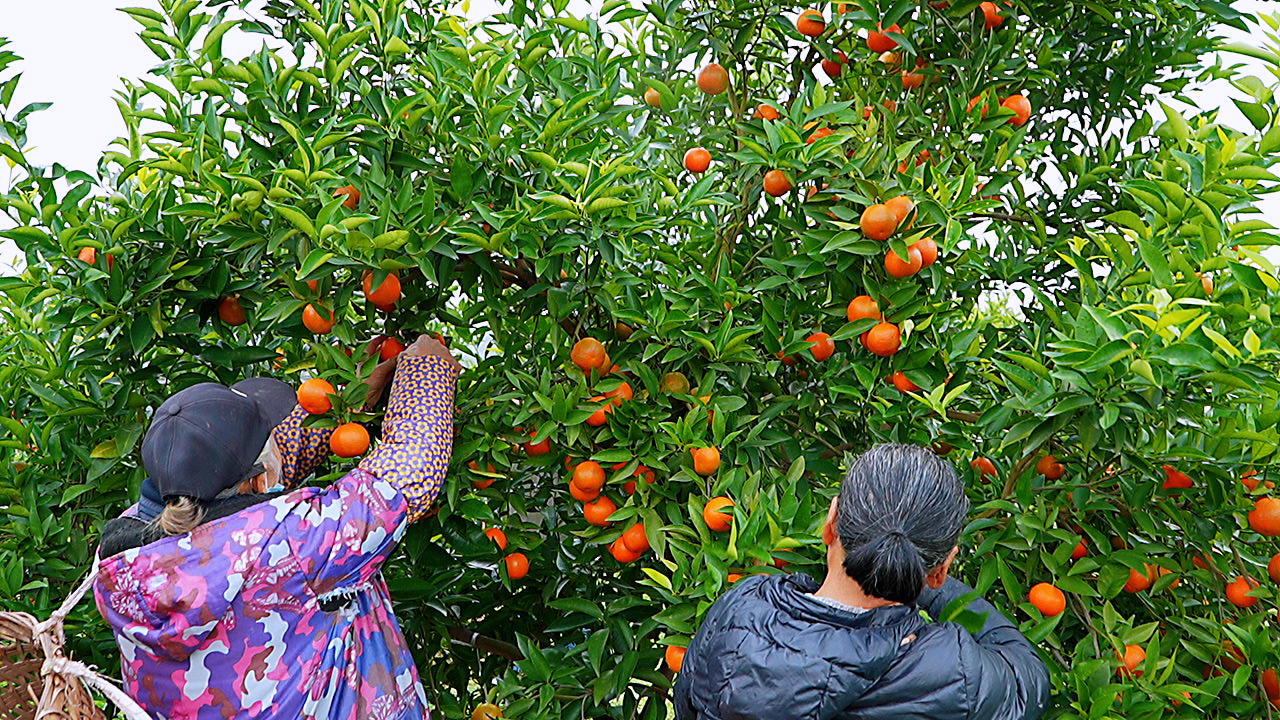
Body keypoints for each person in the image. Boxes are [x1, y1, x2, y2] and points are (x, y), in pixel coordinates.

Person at [93, 333, 461, 720]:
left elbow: (254, 478)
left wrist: (343, 402)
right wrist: (426, 371)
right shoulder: (289, 543)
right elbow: (409, 475)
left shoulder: (125, 550)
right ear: (257, 482)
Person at [674, 443, 1050, 720]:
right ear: (942, 568)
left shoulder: (741, 611)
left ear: (831, 521)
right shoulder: (950, 671)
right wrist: (932, 584)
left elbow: (689, 702)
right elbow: (1029, 680)